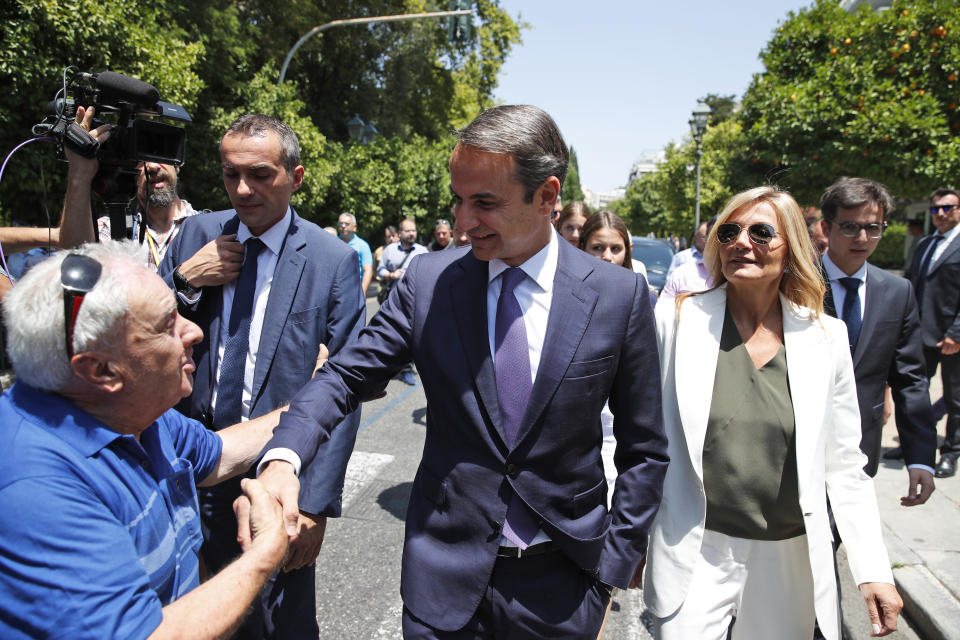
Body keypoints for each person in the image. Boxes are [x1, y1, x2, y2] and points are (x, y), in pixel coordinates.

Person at [258, 104, 669, 638]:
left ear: (546, 196)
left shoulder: (618, 296)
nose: (462, 221)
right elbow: (344, 377)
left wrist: (610, 568)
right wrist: (284, 456)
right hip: (442, 578)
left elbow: (645, 448)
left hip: (562, 588)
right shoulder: (428, 281)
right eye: (457, 199)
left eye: (484, 203)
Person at [644, 186, 902, 640]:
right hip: (694, 546)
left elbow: (845, 465)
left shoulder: (826, 337)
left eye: (762, 232)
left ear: (793, 251)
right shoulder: (675, 322)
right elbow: (642, 439)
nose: (741, 242)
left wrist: (873, 568)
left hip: (790, 555)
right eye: (729, 231)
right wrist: (629, 538)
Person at [0, 240, 290, 640]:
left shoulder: (130, 413)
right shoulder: (34, 488)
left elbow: (219, 454)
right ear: (101, 371)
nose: (195, 330)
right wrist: (264, 555)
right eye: (166, 325)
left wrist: (319, 396)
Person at [159, 114, 366, 639]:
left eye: (260, 174)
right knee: (186, 609)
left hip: (274, 472)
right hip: (188, 461)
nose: (243, 189)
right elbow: (140, 324)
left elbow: (346, 387)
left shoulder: (330, 260)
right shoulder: (197, 236)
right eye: (230, 175)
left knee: (276, 621)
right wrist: (185, 282)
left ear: (295, 177)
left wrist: (315, 505)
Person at [818, 177, 936, 502]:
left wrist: (920, 456)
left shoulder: (897, 292)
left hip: (861, 445)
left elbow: (911, 379)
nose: (863, 238)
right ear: (827, 227)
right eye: (849, 227)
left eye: (873, 228)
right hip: (797, 443)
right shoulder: (794, 283)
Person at [59, 106, 201, 269]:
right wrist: (79, 172)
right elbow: (73, 259)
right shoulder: (112, 227)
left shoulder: (207, 227)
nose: (153, 166)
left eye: (158, 154)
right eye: (140, 161)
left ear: (177, 164)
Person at [907, 187, 960, 478]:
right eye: (935, 209)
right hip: (921, 334)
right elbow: (913, 287)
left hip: (953, 339)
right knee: (914, 394)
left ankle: (951, 453)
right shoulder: (925, 244)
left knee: (955, 400)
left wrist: (957, 333)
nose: (940, 214)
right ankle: (915, 447)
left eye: (947, 208)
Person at [377, 217, 428, 387]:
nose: (412, 233)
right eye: (408, 231)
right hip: (393, 300)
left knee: (412, 336)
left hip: (415, 302)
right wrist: (391, 275)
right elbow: (380, 269)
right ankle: (388, 366)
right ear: (400, 233)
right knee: (390, 333)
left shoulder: (422, 251)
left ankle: (407, 369)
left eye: (414, 230)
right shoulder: (390, 250)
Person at [659, 216, 717, 299]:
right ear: (696, 237)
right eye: (703, 237)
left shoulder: (737, 273)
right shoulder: (681, 263)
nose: (705, 240)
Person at [338, 212, 374, 294]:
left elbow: (368, 270)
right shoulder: (333, 242)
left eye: (347, 224)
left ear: (354, 227)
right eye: (340, 224)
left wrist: (362, 292)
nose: (343, 226)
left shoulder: (362, 246)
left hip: (353, 291)